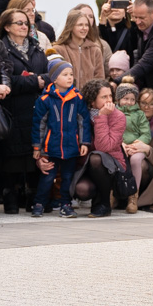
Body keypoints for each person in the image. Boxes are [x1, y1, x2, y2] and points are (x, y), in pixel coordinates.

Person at [0, 9, 50, 214]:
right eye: (18, 23)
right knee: (12, 155)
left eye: (26, 23)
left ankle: (32, 196)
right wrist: (32, 81)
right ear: (7, 26)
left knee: (32, 152)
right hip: (11, 106)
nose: (23, 26)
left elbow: (47, 74)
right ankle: (11, 195)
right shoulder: (3, 47)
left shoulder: (36, 47)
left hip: (35, 108)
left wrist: (38, 80)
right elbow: (8, 78)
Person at [31, 56, 91, 218]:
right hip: (51, 147)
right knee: (47, 177)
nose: (70, 77)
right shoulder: (45, 100)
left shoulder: (78, 99)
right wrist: (37, 147)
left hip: (71, 147)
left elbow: (83, 121)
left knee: (67, 178)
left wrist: (84, 142)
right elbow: (39, 125)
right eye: (65, 74)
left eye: (71, 74)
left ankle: (65, 204)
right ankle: (39, 203)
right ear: (54, 78)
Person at [71, 79, 125, 218]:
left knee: (96, 157)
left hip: (111, 166)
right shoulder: (81, 115)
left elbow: (104, 147)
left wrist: (102, 117)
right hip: (85, 166)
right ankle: (97, 195)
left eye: (110, 96)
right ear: (92, 101)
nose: (109, 100)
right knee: (82, 190)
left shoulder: (118, 116)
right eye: (103, 97)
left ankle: (104, 204)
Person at [121, 0, 153, 104]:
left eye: (142, 18)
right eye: (135, 17)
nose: (138, 22)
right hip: (146, 88)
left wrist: (118, 80)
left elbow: (144, 65)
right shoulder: (143, 27)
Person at [114, 77, 149, 214]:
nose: (129, 102)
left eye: (132, 99)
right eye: (125, 98)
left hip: (136, 148)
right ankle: (113, 193)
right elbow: (111, 131)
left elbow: (145, 132)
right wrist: (120, 144)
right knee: (114, 161)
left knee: (135, 160)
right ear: (118, 99)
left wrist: (136, 144)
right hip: (118, 146)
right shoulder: (114, 113)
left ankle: (133, 197)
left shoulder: (140, 114)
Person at [52, 9, 105, 91]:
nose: (84, 28)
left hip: (89, 100)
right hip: (66, 98)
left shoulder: (95, 49)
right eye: (80, 25)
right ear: (71, 26)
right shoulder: (58, 49)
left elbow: (100, 78)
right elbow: (55, 78)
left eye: (86, 25)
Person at [72, 3, 113, 70]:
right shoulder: (64, 45)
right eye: (83, 15)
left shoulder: (103, 45)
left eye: (91, 16)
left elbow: (109, 72)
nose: (87, 19)